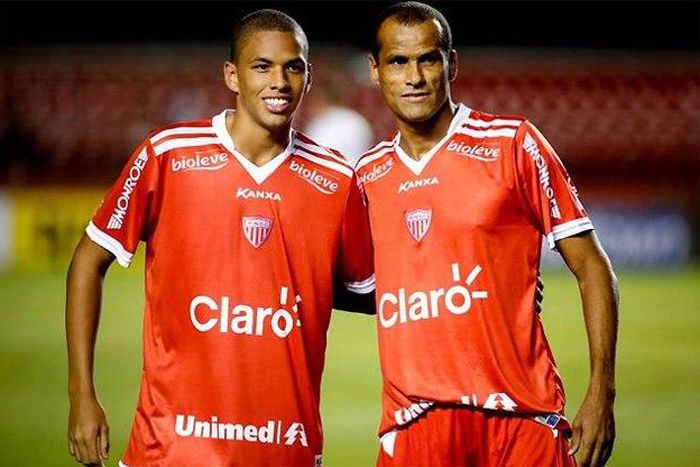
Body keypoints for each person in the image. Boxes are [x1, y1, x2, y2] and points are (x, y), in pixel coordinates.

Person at [65, 9, 374, 466]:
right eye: (262, 66)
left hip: (284, 448)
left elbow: (371, 293)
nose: (279, 81)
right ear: (232, 75)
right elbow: (88, 261)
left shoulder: (337, 179)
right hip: (171, 448)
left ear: (308, 78)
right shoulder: (168, 155)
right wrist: (81, 396)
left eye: (292, 67)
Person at [354, 2, 619, 466]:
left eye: (428, 59)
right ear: (376, 71)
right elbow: (352, 284)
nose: (414, 77)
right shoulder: (366, 175)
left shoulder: (512, 143)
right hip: (416, 424)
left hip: (522, 417)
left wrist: (602, 391)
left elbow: (593, 268)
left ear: (451, 64)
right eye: (398, 61)